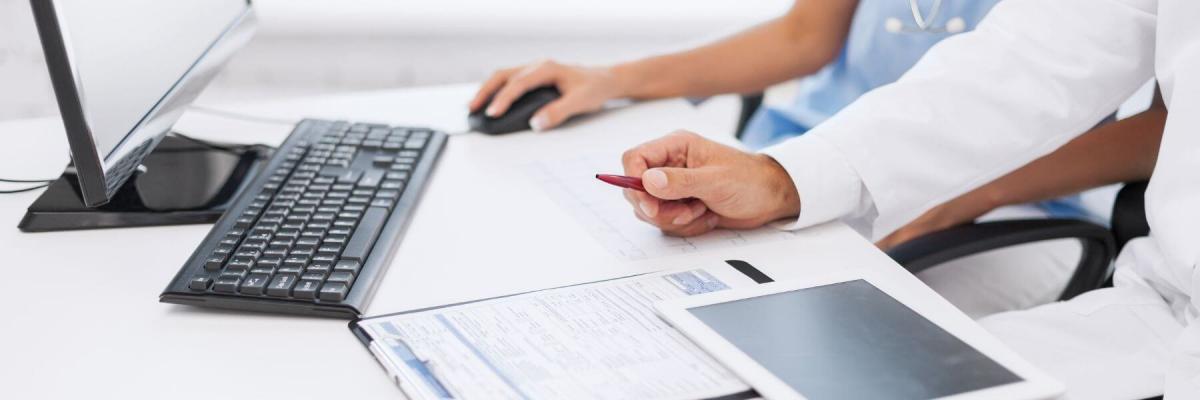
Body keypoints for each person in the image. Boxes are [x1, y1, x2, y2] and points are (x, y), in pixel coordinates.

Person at [617, 0, 1197, 397]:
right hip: (1156, 320)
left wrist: (955, 198)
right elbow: (1034, 60)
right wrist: (781, 178)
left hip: (1041, 236)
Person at [472, 0, 1108, 318]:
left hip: (994, 194)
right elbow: (805, 36)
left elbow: (1163, 127)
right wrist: (614, 79)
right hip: (812, 160)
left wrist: (969, 193)